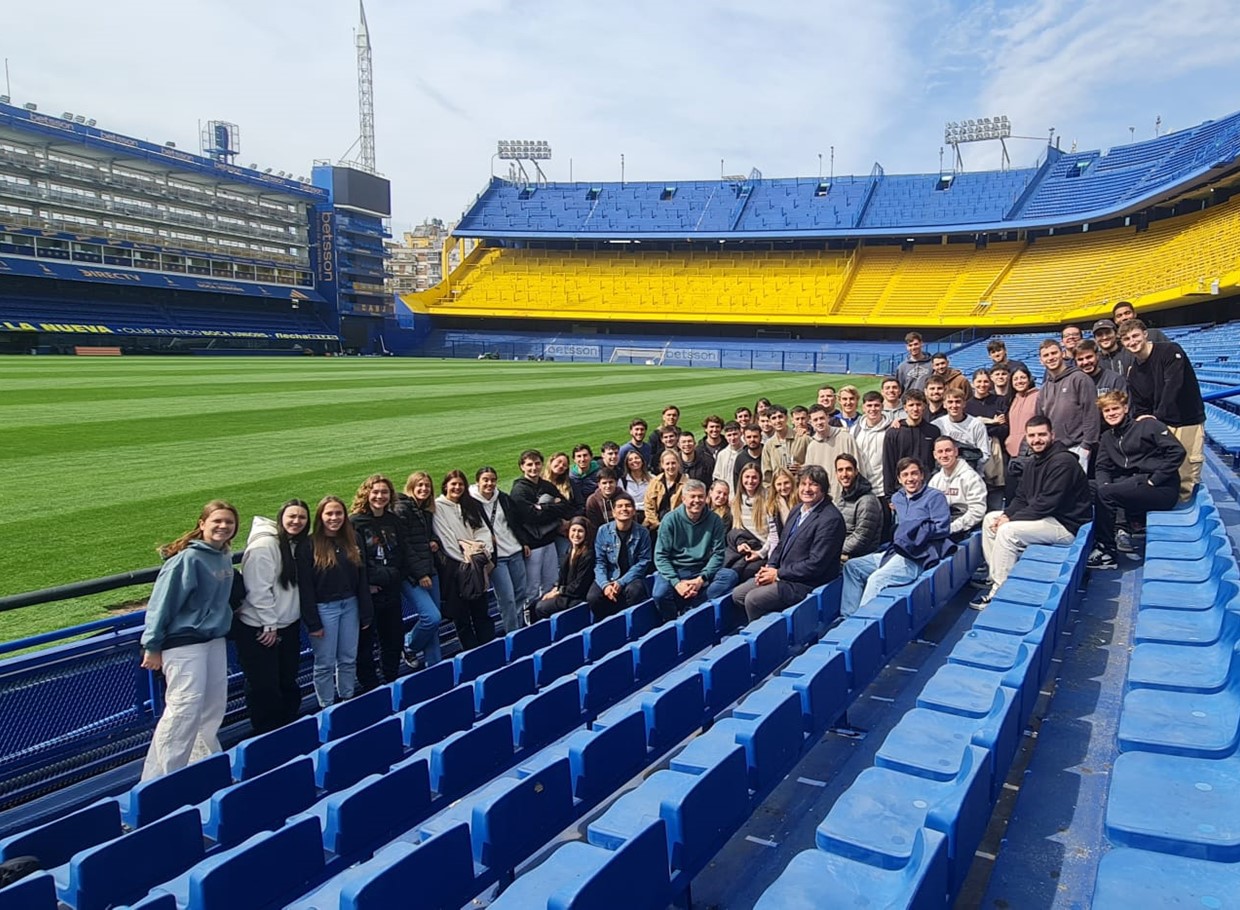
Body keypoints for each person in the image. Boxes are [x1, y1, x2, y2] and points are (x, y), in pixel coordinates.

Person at [140, 500, 239, 779]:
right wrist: (152, 645)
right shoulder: (187, 559)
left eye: (228, 522)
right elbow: (161, 604)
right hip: (184, 643)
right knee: (183, 711)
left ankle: (202, 766)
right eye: (217, 521)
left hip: (213, 640)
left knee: (212, 707)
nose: (223, 526)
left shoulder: (222, 555)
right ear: (202, 524)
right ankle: (159, 780)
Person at [970, 416, 1092, 609]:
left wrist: (1009, 521)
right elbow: (1021, 498)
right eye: (1032, 435)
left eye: (1042, 434)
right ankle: (994, 577)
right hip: (1047, 518)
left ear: (1052, 435)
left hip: (1066, 525)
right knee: (990, 519)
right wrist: (1006, 515)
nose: (1037, 440)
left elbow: (1047, 504)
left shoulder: (1063, 462)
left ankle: (1001, 593)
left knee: (1007, 532)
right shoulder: (1033, 462)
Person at [731, 465, 845, 622]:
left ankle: (767, 640)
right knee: (738, 594)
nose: (807, 489)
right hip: (784, 574)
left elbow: (815, 565)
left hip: (805, 583)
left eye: (813, 484)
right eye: (803, 484)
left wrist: (778, 574)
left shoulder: (830, 519)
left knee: (753, 599)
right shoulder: (798, 509)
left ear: (823, 489)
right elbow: (781, 543)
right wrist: (770, 567)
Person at [235, 500, 311, 734]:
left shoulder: (294, 544)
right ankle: (268, 734)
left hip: (285, 625)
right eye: (292, 517)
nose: (296, 521)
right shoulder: (265, 545)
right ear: (281, 518)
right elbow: (258, 589)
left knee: (286, 679)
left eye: (302, 517)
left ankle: (286, 727)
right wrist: (270, 624)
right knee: (264, 686)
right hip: (261, 629)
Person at [1088, 390, 1187, 570]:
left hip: (1160, 488)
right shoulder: (1107, 437)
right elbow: (1102, 467)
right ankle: (1087, 537)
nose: (1111, 413)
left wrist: (1155, 479)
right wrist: (1104, 486)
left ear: (1125, 408)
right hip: (1134, 484)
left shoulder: (1148, 425)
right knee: (1087, 487)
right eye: (1107, 411)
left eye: (1115, 408)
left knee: (1108, 493)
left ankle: (1107, 551)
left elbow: (1177, 452)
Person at [840, 458, 951, 617]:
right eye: (905, 475)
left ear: (922, 476)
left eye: (914, 474)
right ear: (899, 479)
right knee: (852, 567)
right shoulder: (897, 498)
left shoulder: (935, 497)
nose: (910, 479)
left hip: (918, 555)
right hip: (895, 552)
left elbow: (942, 528)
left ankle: (862, 623)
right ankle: (848, 616)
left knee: (876, 580)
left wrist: (916, 531)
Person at [1121, 318, 1205, 501]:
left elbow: (1173, 386)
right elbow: (1141, 406)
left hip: (1186, 419)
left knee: (1188, 468)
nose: (1132, 342)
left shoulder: (1170, 350)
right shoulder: (1134, 372)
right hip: (1161, 424)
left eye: (1135, 336)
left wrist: (1156, 418)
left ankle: (1185, 507)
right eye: (1127, 339)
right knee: (1165, 468)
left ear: (1145, 334)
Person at [305, 496, 373, 708]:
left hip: (350, 605)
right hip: (324, 608)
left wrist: (365, 610)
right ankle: (326, 706)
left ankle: (347, 698)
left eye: (338, 513)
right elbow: (305, 587)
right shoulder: (309, 544)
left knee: (348, 658)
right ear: (320, 517)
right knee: (324, 662)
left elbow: (362, 578)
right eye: (329, 514)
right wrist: (313, 622)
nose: (334, 518)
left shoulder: (353, 539)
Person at [651, 479, 739, 622]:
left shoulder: (714, 520)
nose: (697, 500)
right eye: (692, 496)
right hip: (676, 568)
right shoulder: (670, 520)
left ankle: (693, 608)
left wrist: (701, 579)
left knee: (730, 576)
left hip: (700, 568)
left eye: (700, 496)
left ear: (706, 498)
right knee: (659, 594)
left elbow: (718, 553)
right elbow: (660, 556)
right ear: (684, 499)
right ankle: (672, 622)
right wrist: (676, 583)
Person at [350, 474, 408, 688]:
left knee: (393, 639)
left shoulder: (393, 520)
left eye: (384, 492)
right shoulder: (355, 523)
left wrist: (394, 576)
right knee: (365, 645)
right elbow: (355, 559)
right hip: (369, 594)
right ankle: (370, 687)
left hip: (391, 591)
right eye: (375, 492)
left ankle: (391, 679)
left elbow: (401, 551)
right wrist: (367, 584)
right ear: (366, 494)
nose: (380, 496)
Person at [434, 470, 495, 649]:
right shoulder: (438, 507)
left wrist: (482, 552)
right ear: (445, 485)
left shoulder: (470, 504)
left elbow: (482, 530)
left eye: (460, 484)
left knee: (481, 611)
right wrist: (465, 559)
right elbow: (447, 539)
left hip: (477, 563)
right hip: (456, 569)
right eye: (453, 484)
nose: (457, 487)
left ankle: (490, 649)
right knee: (462, 617)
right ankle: (472, 654)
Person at [511, 449, 575, 605]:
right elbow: (531, 516)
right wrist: (551, 506)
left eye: (537, 463)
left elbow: (565, 507)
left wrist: (543, 508)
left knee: (551, 583)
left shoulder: (546, 485)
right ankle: (531, 622)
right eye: (529, 465)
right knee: (532, 588)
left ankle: (545, 616)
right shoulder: (519, 490)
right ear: (522, 467)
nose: (534, 468)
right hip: (533, 545)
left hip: (549, 541)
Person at [472, 466, 531, 635]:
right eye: (485, 480)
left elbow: (514, 522)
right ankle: (513, 634)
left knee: (520, 594)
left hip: (515, 550)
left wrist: (523, 542)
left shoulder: (503, 498)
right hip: (496, 558)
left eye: (492, 480)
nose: (489, 483)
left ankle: (519, 628)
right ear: (478, 482)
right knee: (507, 599)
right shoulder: (471, 503)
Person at [393, 472, 443, 669]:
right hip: (413, 575)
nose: (424, 489)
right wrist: (421, 574)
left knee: (435, 624)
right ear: (411, 486)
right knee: (431, 618)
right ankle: (408, 643)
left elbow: (431, 535)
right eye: (419, 485)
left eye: (427, 486)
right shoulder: (403, 508)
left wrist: (435, 542)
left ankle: (435, 665)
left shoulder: (426, 510)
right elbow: (404, 546)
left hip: (429, 569)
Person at [1035, 339, 1099, 472]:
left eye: (1054, 353)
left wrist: (1086, 445)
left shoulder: (1080, 379)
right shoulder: (1044, 389)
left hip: (1077, 447)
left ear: (1063, 353)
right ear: (1041, 361)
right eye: (1046, 355)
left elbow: (1091, 413)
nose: (1051, 358)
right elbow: (1040, 420)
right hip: (1053, 449)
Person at [588, 491, 653, 618]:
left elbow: (643, 562)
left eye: (628, 506)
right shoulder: (603, 531)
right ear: (613, 512)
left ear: (634, 511)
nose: (624, 509)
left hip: (631, 577)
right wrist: (605, 584)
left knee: (635, 592)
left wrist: (621, 582)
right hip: (609, 575)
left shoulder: (643, 533)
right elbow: (599, 561)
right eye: (620, 506)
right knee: (593, 597)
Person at [882, 390, 941, 499]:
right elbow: (888, 465)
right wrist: (889, 495)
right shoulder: (893, 433)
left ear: (924, 406)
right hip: (901, 492)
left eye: (918, 404)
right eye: (911, 405)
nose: (915, 409)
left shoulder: (933, 431)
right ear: (905, 407)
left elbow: (936, 462)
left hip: (927, 490)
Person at [534, 517, 595, 620]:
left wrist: (559, 592)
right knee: (535, 603)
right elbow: (563, 577)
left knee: (541, 608)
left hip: (577, 597)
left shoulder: (588, 555)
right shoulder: (570, 550)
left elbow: (579, 586)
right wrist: (555, 589)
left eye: (580, 531)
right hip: (567, 592)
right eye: (573, 530)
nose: (576, 535)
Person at [927, 437, 987, 541]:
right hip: (942, 523)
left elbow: (977, 511)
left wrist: (953, 528)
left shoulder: (971, 477)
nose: (944, 455)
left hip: (964, 527)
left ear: (956, 452)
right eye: (940, 452)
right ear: (935, 455)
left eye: (948, 450)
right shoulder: (935, 480)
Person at [804, 403, 860, 502]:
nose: (819, 422)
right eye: (815, 420)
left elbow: (858, 467)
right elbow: (810, 477)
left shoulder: (845, 438)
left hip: (848, 497)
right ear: (810, 423)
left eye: (822, 418)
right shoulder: (812, 447)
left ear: (828, 418)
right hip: (823, 499)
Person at [726, 463, 770, 581]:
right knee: (730, 570)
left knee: (747, 573)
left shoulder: (769, 499)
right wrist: (740, 543)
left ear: (760, 479)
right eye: (747, 477)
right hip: (746, 547)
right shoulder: (737, 501)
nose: (750, 481)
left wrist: (761, 553)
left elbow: (774, 534)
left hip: (763, 549)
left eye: (754, 477)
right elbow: (736, 529)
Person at [835, 453, 882, 562]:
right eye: (840, 470)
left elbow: (861, 539)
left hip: (860, 559)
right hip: (841, 553)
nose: (844, 474)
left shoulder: (867, 501)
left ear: (856, 471)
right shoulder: (843, 496)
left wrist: (832, 548)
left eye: (848, 469)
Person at [933, 390, 989, 472]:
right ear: (944, 405)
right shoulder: (937, 425)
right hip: (944, 473)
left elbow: (985, 454)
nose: (954, 405)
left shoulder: (976, 424)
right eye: (950, 402)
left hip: (971, 473)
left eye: (958, 402)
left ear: (964, 404)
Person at [852, 391, 892, 503]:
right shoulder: (855, 430)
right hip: (861, 489)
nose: (873, 409)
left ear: (882, 407)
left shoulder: (890, 430)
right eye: (869, 405)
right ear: (863, 408)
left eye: (876, 405)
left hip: (882, 491)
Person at [644, 448, 686, 534]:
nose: (671, 467)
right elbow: (648, 505)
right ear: (662, 465)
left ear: (678, 464)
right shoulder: (655, 482)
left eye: (673, 463)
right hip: (656, 526)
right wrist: (657, 524)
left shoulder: (686, 484)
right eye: (667, 464)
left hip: (678, 527)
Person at [761, 405, 796, 482]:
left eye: (780, 417)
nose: (778, 421)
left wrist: (801, 468)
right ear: (770, 422)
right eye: (774, 418)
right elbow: (767, 473)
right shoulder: (769, 445)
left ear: (786, 418)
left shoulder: (801, 439)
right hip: (779, 489)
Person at [620, 448, 654, 523]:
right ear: (627, 464)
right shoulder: (622, 481)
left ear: (642, 461)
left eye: (637, 458)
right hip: (631, 516)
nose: (634, 461)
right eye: (630, 459)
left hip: (649, 515)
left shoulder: (652, 479)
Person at [584, 467, 619, 533]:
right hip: (601, 534)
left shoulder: (624, 498)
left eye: (611, 482)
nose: (608, 486)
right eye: (604, 483)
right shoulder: (592, 501)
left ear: (616, 483)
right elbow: (593, 525)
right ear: (599, 485)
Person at [712, 420, 744, 492]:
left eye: (735, 434)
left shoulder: (747, 451)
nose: (732, 438)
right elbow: (717, 477)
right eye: (729, 435)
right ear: (725, 436)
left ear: (741, 433)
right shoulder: (722, 454)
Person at [733, 424, 765, 489]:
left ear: (761, 437)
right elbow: (737, 483)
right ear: (744, 438)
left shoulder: (768, 454)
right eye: (749, 437)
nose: (752, 440)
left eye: (755, 436)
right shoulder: (740, 458)